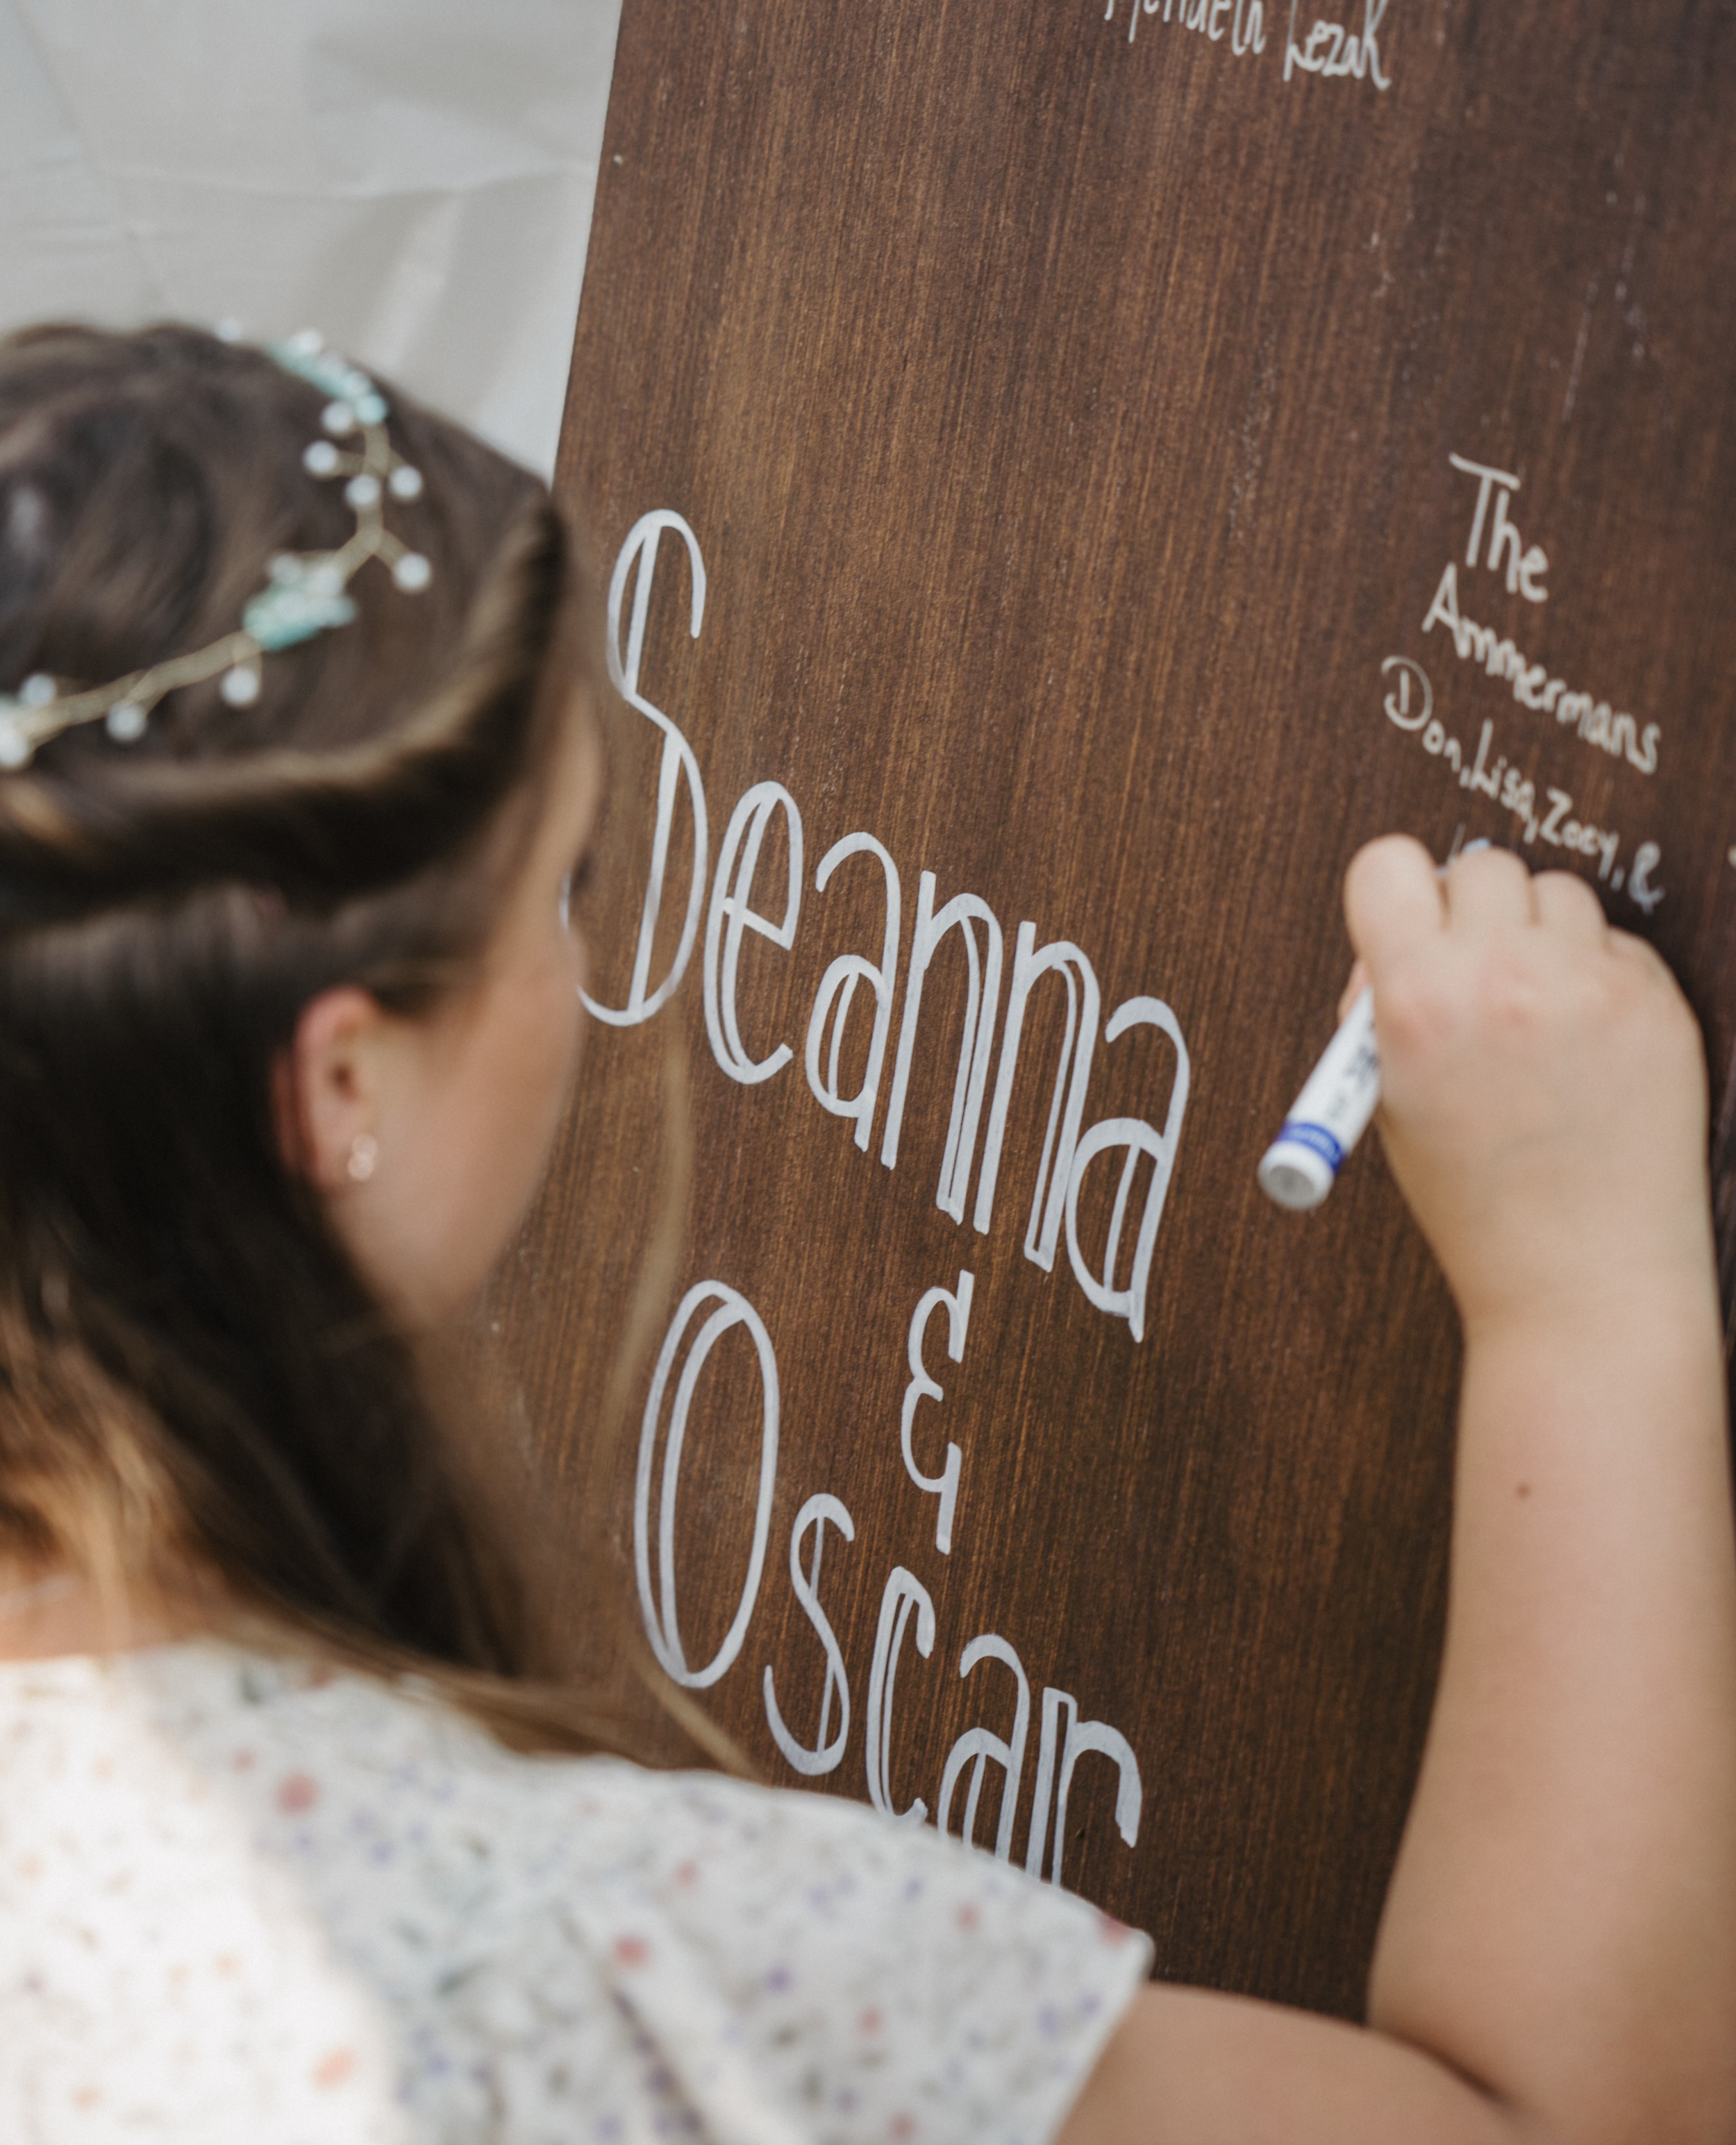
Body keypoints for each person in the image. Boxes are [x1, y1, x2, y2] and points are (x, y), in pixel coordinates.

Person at [0, 322, 1729, 2145]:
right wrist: (1580, 1300)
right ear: (336, 1083)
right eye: (563, 889)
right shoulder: (576, 1965)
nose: (591, 978)